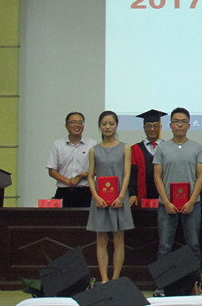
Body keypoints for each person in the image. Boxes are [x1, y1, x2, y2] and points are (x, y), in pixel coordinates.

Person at [153, 107, 202, 266]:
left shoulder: (197, 147)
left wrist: (191, 201)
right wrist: (166, 202)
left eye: (183, 122)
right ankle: (163, 282)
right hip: (166, 205)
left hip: (192, 205)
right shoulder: (162, 148)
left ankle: (195, 280)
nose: (180, 125)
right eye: (176, 122)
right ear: (170, 125)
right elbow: (157, 176)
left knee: (194, 246)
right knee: (164, 247)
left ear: (189, 125)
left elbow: (201, 177)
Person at [86, 111, 134, 283]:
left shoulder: (125, 148)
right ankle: (104, 279)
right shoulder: (94, 150)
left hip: (118, 200)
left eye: (111, 123)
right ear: (100, 126)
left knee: (119, 239)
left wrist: (121, 196)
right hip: (100, 201)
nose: (108, 127)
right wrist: (96, 196)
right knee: (101, 240)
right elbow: (90, 176)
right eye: (104, 124)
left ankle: (115, 279)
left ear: (116, 125)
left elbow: (127, 174)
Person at [47, 112, 96, 207]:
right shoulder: (58, 144)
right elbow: (52, 170)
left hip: (86, 191)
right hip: (63, 191)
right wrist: (68, 181)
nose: (77, 125)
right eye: (73, 122)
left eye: (80, 122)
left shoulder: (92, 144)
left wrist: (85, 175)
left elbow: (98, 169)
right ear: (66, 126)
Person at [129, 109, 166, 207]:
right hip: (141, 198)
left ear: (160, 127)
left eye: (155, 126)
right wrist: (132, 194)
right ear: (144, 128)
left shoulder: (168, 148)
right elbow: (132, 174)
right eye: (149, 126)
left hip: (165, 200)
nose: (152, 129)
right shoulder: (135, 149)